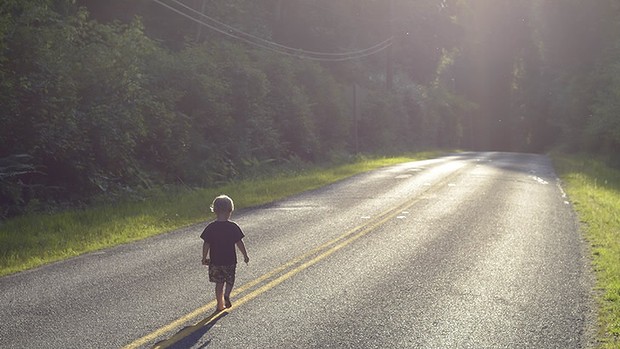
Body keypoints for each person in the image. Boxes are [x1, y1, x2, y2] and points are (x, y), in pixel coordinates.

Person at [201, 195, 249, 312]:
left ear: (215, 210)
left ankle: (219, 305)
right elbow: (239, 242)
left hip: (215, 261)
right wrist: (245, 255)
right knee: (229, 280)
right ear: (230, 210)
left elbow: (206, 244)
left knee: (219, 282)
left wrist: (204, 257)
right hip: (230, 260)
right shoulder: (233, 227)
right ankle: (227, 294)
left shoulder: (211, 227)